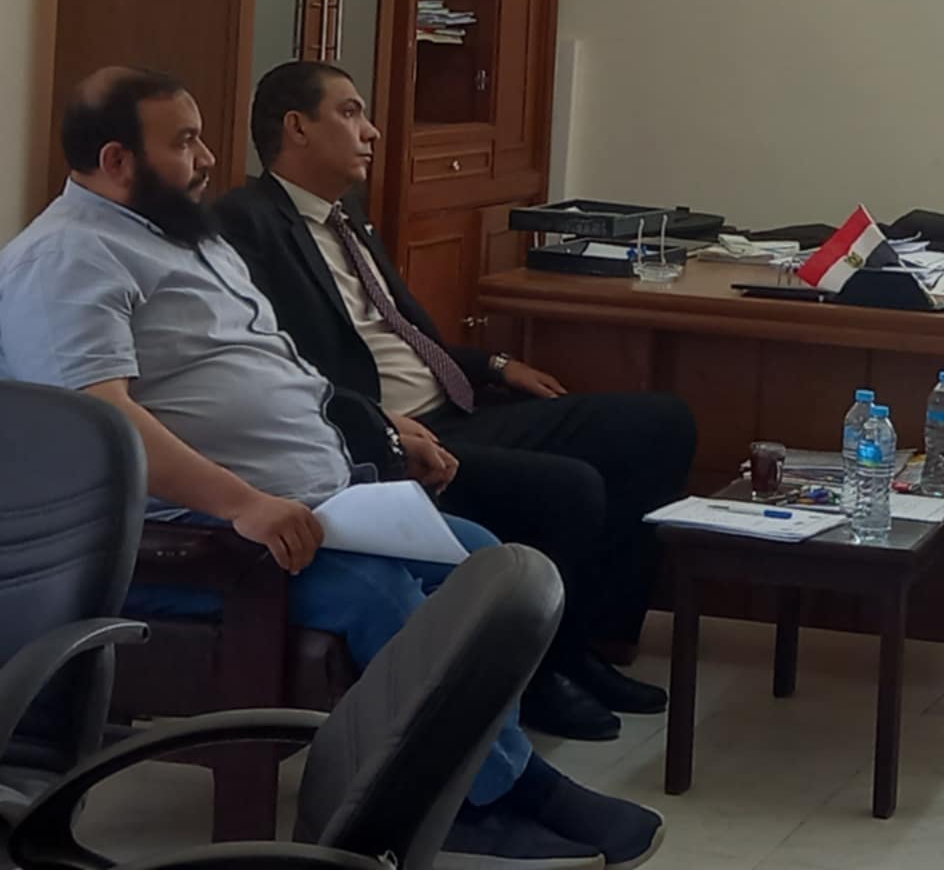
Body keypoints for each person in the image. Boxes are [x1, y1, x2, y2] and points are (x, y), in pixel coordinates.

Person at [0, 69, 662, 867]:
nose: (208, 158)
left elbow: (275, 369)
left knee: (487, 568)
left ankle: (461, 785)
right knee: (378, 594)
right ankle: (498, 797)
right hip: (195, 539)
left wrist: (383, 428)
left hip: (317, 505)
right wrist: (244, 503)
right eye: (185, 142)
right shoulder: (64, 260)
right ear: (116, 159)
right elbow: (105, 429)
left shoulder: (185, 234)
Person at [215, 61, 696, 742]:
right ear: (297, 127)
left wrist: (494, 363)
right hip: (391, 433)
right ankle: (541, 673)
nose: (371, 131)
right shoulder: (247, 225)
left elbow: (397, 332)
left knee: (660, 423)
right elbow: (275, 365)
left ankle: (594, 640)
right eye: (350, 113)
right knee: (572, 487)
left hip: (458, 406)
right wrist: (378, 422)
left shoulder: (348, 217)